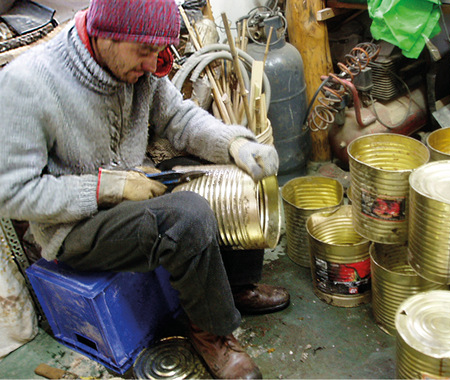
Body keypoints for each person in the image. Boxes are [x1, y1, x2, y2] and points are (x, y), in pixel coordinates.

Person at [0, 0, 290, 378]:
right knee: (186, 216)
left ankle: (232, 286)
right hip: (76, 227)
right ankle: (211, 333)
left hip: (131, 188)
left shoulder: (138, 66)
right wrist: (106, 187)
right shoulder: (28, 83)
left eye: (158, 53)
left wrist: (234, 144)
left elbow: (179, 118)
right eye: (144, 53)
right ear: (106, 35)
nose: (153, 65)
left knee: (228, 175)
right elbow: (12, 193)